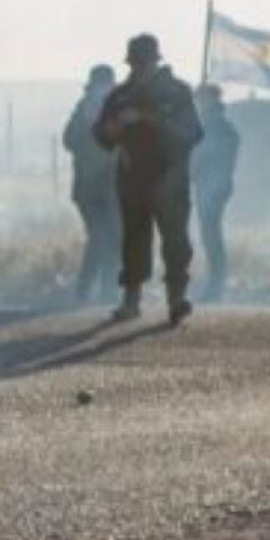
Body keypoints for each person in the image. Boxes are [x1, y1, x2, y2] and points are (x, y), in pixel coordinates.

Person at [93, 33, 204, 325]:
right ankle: (131, 300)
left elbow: (193, 133)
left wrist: (154, 119)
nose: (139, 69)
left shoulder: (178, 93)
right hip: (132, 179)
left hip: (170, 177)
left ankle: (176, 299)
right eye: (135, 64)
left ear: (155, 62)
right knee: (133, 241)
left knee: (176, 241)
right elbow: (101, 136)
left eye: (144, 63)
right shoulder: (119, 96)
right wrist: (115, 127)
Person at [63, 65, 120, 304]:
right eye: (100, 85)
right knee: (100, 237)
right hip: (88, 189)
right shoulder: (82, 110)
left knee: (113, 238)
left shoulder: (118, 109)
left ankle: (106, 290)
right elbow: (69, 141)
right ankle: (87, 290)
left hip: (113, 188)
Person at [192, 83, 240, 303]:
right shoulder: (213, 125)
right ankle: (214, 284)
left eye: (201, 99)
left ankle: (216, 286)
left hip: (214, 186)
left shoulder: (217, 127)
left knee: (211, 236)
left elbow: (210, 157)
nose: (198, 103)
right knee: (209, 235)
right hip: (209, 185)